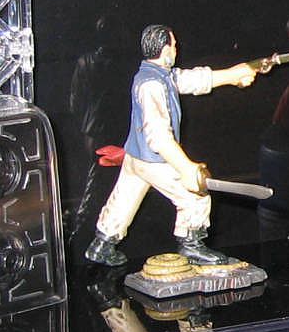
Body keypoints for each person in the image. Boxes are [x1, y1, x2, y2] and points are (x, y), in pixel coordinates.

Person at [84, 24, 256, 266]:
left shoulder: (158, 75)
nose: (176, 49)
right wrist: (185, 167)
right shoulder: (152, 85)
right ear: (165, 50)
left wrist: (233, 74)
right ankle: (191, 245)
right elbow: (158, 136)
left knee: (124, 199)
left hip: (136, 157)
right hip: (154, 160)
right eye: (174, 45)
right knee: (195, 196)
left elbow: (194, 79)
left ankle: (102, 244)